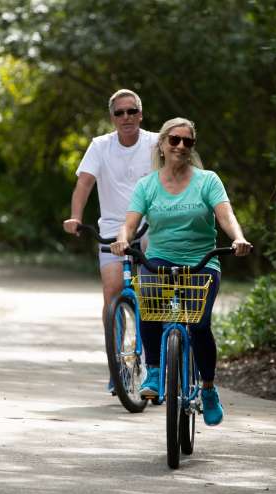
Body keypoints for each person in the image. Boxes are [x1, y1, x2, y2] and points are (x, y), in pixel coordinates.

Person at [110, 117, 252, 426]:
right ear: (161, 144)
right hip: (160, 258)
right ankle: (156, 371)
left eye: (188, 141)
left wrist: (237, 237)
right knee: (148, 301)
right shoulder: (147, 185)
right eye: (174, 140)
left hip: (202, 261)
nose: (181, 146)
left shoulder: (208, 180)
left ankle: (209, 389)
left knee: (199, 325)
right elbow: (130, 222)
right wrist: (123, 240)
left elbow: (225, 215)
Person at [63, 89, 158, 393]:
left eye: (132, 111)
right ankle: (117, 365)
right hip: (114, 228)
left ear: (140, 114)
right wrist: (76, 217)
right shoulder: (100, 146)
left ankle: (155, 366)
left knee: (153, 296)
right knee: (112, 292)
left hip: (151, 227)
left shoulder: (156, 143)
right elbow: (84, 183)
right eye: (120, 113)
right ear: (112, 118)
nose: (126, 117)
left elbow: (177, 175)